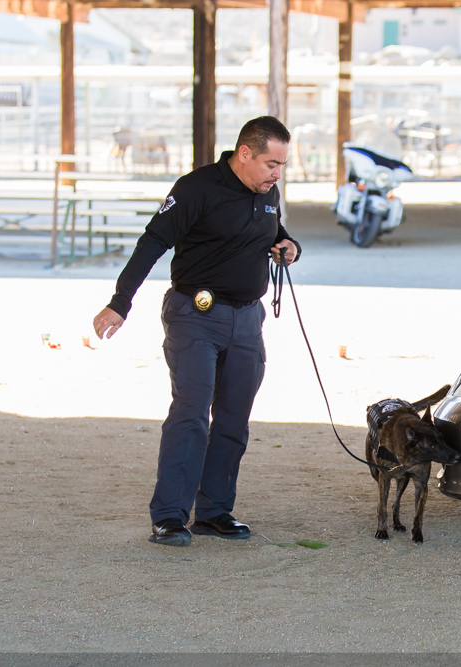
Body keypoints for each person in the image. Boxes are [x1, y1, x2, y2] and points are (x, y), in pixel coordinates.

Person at [92, 116, 301, 547]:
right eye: (271, 163)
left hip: (248, 320)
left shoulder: (268, 192)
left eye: (282, 165)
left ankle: (214, 512)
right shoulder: (196, 188)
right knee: (191, 415)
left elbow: (275, 233)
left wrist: (290, 247)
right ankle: (169, 516)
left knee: (233, 418)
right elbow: (152, 242)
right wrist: (120, 302)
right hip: (195, 315)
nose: (277, 173)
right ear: (245, 153)